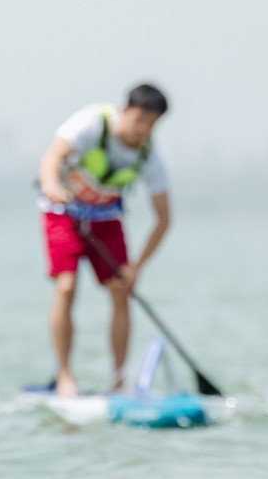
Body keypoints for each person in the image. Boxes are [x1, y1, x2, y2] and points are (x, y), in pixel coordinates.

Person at [36, 84, 173, 397]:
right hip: (63, 213)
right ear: (125, 110)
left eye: (151, 124)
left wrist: (137, 267)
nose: (143, 130)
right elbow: (52, 156)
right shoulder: (92, 124)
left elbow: (164, 219)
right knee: (67, 286)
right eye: (139, 120)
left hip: (105, 219)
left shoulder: (148, 154)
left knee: (121, 291)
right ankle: (66, 376)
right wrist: (50, 183)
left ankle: (118, 380)